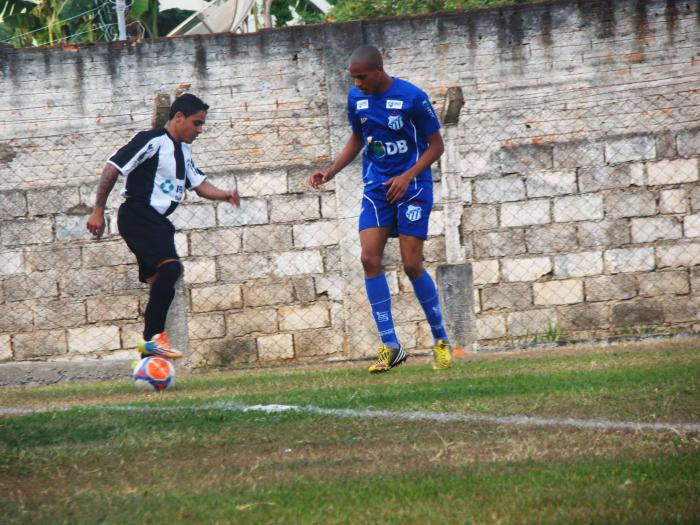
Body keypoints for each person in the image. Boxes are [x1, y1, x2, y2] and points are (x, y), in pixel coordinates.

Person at [309, 45, 452, 373]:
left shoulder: (412, 97)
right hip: (376, 188)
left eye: (362, 77)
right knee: (368, 258)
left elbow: (437, 145)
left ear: (378, 70)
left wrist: (406, 176)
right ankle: (391, 346)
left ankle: (441, 340)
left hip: (413, 188)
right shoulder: (355, 99)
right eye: (353, 78)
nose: (357, 83)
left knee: (412, 264)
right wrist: (330, 171)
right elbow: (358, 139)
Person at [86, 93, 240, 360]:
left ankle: (148, 357)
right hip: (138, 214)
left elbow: (199, 185)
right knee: (171, 268)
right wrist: (98, 210)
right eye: (197, 123)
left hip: (155, 222)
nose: (200, 130)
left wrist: (225, 195)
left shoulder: (184, 150)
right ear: (178, 117)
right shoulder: (152, 140)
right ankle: (154, 339)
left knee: (162, 281)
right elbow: (113, 167)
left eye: (202, 124)